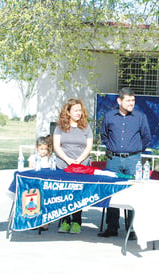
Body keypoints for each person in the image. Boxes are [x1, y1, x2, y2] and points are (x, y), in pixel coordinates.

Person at [98, 87, 151, 239]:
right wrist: (111, 148)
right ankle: (112, 227)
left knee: (133, 193)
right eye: (128, 100)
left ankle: (132, 228)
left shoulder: (140, 117)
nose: (131, 103)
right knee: (112, 192)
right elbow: (104, 134)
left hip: (133, 160)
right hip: (113, 159)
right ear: (119, 101)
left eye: (133, 100)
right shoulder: (109, 116)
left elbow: (146, 137)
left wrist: (136, 150)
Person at [53, 98, 93, 234]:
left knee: (77, 194)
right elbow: (57, 146)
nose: (78, 113)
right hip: (63, 165)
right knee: (64, 193)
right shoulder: (60, 127)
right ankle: (65, 221)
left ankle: (76, 222)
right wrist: (68, 160)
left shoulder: (86, 127)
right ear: (68, 112)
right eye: (75, 110)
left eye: (80, 110)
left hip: (81, 166)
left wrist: (78, 160)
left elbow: (89, 146)